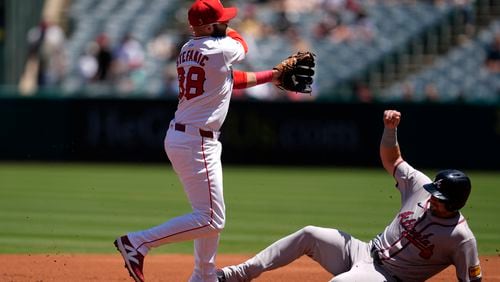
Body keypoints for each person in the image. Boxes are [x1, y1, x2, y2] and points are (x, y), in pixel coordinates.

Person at [113, 0, 284, 281]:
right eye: (221, 21)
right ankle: (138, 242)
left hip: (187, 137)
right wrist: (229, 33)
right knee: (212, 219)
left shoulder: (188, 49)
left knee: (207, 215)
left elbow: (230, 80)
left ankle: (204, 275)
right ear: (206, 26)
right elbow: (242, 43)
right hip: (196, 141)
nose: (228, 24)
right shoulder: (220, 47)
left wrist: (272, 76)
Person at [217, 109, 482, 282]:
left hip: (387, 277)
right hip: (363, 250)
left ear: (455, 203)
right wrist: (390, 129)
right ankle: (237, 275)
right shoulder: (420, 187)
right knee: (309, 233)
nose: (432, 198)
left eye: (440, 198)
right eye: (434, 193)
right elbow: (393, 159)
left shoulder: (461, 238)